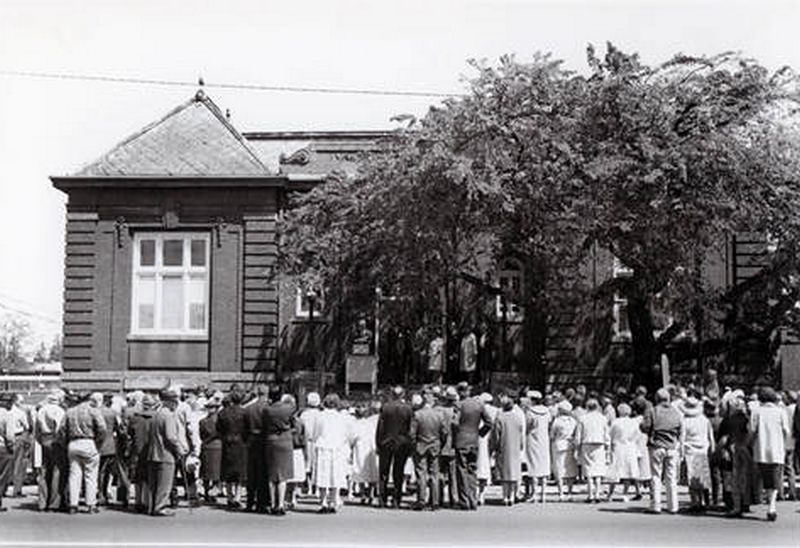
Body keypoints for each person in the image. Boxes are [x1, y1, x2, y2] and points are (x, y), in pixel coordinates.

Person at [640, 387, 684, 514]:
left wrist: (641, 426)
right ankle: (673, 506)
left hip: (656, 446)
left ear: (657, 399)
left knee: (656, 476)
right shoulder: (676, 412)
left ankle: (656, 505)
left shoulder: (653, 411)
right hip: (672, 447)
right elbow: (680, 430)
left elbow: (645, 427)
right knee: (671, 477)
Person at [750, 387, 790, 521]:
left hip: (760, 449)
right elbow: (786, 431)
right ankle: (772, 506)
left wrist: (750, 443)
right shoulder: (780, 412)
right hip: (777, 449)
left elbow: (752, 430)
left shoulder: (756, 412)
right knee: (775, 478)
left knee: (765, 478)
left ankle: (763, 501)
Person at [64, 392, 107, 514]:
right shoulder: (93, 411)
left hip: (73, 443)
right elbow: (102, 428)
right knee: (91, 476)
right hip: (89, 442)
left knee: (74, 475)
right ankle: (91, 504)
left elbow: (62, 429)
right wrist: (99, 442)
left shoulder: (70, 411)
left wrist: (66, 442)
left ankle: (73, 504)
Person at [452, 382, 492, 510]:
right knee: (472, 470)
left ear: (460, 392)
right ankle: (473, 500)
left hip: (461, 440)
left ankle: (464, 501)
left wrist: (456, 435)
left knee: (461, 470)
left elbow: (454, 422)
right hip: (474, 441)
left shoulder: (459, 405)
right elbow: (489, 422)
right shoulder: (479, 404)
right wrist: (479, 433)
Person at [146, 388, 185, 517]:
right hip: (165, 453)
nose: (176, 404)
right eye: (175, 402)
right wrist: (180, 450)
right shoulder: (168, 415)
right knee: (165, 483)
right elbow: (171, 437)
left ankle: (151, 506)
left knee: (154, 483)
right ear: (169, 402)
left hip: (153, 452)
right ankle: (160, 507)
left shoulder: (155, 414)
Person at [376, 385, 413, 508]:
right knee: (399, 472)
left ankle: (382, 499)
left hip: (386, 442)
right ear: (403, 395)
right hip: (402, 443)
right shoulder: (408, 409)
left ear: (392, 394)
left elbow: (380, 428)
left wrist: (378, 443)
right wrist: (409, 445)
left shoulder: (386, 407)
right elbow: (410, 429)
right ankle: (396, 500)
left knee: (383, 472)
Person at [409, 390, 447, 511]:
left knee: (421, 474)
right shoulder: (439, 415)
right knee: (434, 474)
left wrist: (415, 444)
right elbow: (444, 432)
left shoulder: (417, 414)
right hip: (435, 445)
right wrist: (440, 443)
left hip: (421, 446)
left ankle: (421, 500)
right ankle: (435, 502)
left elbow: (412, 433)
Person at [313, 393, 350, 513]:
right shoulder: (341, 417)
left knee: (323, 474)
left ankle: (323, 501)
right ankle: (333, 502)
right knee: (335, 475)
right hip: (337, 448)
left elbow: (315, 433)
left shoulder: (320, 416)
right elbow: (345, 435)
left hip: (323, 447)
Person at [262, 392, 296, 515]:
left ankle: (272, 503)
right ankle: (280, 504)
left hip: (271, 440)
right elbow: (294, 424)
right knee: (283, 475)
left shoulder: (267, 410)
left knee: (272, 475)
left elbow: (264, 425)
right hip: (285, 440)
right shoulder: (289, 408)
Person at [680, 395, 715, 513]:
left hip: (690, 450)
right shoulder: (705, 420)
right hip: (703, 449)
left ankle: (695, 502)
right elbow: (710, 437)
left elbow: (682, 438)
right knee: (702, 476)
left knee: (692, 476)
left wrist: (681, 452)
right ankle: (703, 501)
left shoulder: (685, 421)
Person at [35, 389, 66, 512]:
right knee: (56, 471)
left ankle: (42, 502)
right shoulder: (59, 411)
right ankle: (54, 503)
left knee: (44, 471)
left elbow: (36, 429)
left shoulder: (41, 410)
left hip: (43, 439)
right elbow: (60, 429)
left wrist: (40, 440)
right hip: (54, 440)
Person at [492, 391, 524, 506]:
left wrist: (495, 447)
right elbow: (521, 434)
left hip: (503, 447)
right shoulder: (517, 418)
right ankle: (511, 496)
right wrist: (521, 445)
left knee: (505, 474)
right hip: (515, 448)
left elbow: (496, 435)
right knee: (513, 474)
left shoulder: (500, 418)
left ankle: (505, 497)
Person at [97, 393, 129, 507]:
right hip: (111, 445)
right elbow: (118, 429)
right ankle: (105, 493)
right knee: (108, 472)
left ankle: (100, 494)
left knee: (100, 472)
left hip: (98, 445)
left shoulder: (96, 412)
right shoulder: (112, 413)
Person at [575, 398, 609, 503]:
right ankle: (597, 494)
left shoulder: (582, 418)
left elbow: (578, 434)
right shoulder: (603, 418)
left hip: (587, 443)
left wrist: (577, 447)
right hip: (599, 444)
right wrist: (607, 445)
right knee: (598, 470)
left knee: (588, 470)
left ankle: (590, 495)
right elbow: (606, 433)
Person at [217, 390, 247, 509]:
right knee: (239, 472)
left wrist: (224, 436)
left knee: (227, 471)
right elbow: (247, 428)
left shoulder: (223, 413)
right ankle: (237, 497)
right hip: (240, 443)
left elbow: (218, 428)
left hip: (227, 442)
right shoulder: (244, 413)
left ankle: (229, 497)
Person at [127, 393, 157, 513]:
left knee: (138, 477)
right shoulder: (156, 417)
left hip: (137, 450)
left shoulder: (135, 418)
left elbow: (130, 434)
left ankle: (138, 501)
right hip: (152, 450)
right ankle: (148, 501)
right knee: (150, 478)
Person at [606, 403, 641, 502]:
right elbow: (637, 435)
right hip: (630, 447)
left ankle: (610, 494)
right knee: (628, 471)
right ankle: (625, 494)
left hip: (618, 447)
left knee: (615, 471)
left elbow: (610, 435)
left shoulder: (616, 422)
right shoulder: (634, 423)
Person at [243, 384, 269, 513]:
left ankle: (249, 501)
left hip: (251, 441)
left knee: (251, 473)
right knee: (262, 474)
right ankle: (261, 503)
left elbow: (244, 428)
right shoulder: (267, 408)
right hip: (264, 441)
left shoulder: (248, 409)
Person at [523, 390, 551, 504]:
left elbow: (527, 426)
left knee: (533, 466)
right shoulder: (547, 411)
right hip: (544, 440)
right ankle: (543, 494)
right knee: (544, 467)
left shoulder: (530, 412)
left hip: (533, 440)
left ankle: (534, 494)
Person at [350, 402, 379, 504]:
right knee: (371, 470)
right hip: (370, 448)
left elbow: (352, 437)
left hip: (360, 448)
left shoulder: (355, 424)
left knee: (360, 469)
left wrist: (351, 446)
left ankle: (363, 494)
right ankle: (371, 493)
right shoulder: (371, 423)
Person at [550, 400, 578, 501]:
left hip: (558, 445)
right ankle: (570, 492)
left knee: (559, 469)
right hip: (570, 445)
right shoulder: (573, 421)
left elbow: (552, 435)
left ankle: (561, 492)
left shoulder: (557, 421)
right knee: (570, 469)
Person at [437, 386, 459, 508]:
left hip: (441, 445)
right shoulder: (455, 412)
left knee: (440, 473)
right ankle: (453, 499)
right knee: (452, 475)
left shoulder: (439, 410)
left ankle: (439, 497)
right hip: (452, 446)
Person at [476, 393, 498, 505]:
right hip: (490, 440)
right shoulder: (496, 411)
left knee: (479, 466)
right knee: (485, 466)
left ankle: (478, 494)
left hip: (480, 439)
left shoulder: (478, 410)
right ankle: (482, 494)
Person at [9, 394, 32, 498]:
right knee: (19, 465)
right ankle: (17, 490)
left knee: (7, 465)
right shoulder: (20, 413)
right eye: (21, 401)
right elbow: (27, 426)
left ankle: (4, 488)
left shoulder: (6, 413)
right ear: (16, 401)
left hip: (6, 438)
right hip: (18, 437)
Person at [299, 392, 322, 493]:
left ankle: (308, 486)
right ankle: (316, 488)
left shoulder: (304, 414)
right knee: (316, 464)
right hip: (317, 442)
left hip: (307, 441)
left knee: (307, 464)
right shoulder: (320, 414)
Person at [0, 396, 16, 512]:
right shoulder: (7, 415)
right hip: (2, 448)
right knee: (2, 477)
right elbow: (10, 435)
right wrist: (12, 447)